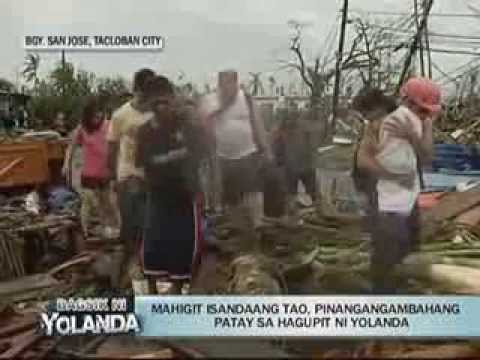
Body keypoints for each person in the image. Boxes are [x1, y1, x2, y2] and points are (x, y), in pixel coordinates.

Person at [357, 79, 440, 294]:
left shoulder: (417, 123)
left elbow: (427, 156)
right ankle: (384, 302)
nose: (421, 114)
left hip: (407, 199)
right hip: (384, 199)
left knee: (410, 248)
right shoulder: (380, 124)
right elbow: (363, 160)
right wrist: (392, 176)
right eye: (420, 109)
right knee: (387, 253)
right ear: (406, 101)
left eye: (425, 111)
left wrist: (427, 125)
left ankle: (405, 293)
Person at [136, 76, 207, 294]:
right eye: (156, 102)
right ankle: (152, 292)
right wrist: (174, 156)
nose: (161, 107)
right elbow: (146, 161)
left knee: (183, 244)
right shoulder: (145, 131)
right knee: (153, 243)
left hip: (185, 195)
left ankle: (177, 291)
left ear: (172, 99)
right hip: (158, 194)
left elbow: (201, 152)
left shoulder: (188, 125)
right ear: (149, 104)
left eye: (165, 101)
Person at [199, 70, 272, 230]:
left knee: (252, 190)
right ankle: (238, 229)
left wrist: (265, 149)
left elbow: (257, 124)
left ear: (236, 83)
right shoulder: (210, 100)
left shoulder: (246, 98)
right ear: (219, 84)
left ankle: (258, 225)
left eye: (232, 83)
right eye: (224, 83)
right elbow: (204, 123)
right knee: (230, 196)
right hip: (223, 156)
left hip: (248, 152)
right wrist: (223, 105)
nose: (229, 87)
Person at [107, 68, 155, 286]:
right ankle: (130, 269)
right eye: (145, 90)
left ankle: (145, 267)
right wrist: (112, 180)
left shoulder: (157, 113)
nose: (148, 96)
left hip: (153, 177)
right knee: (131, 225)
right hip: (128, 176)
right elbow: (111, 149)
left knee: (150, 224)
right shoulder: (120, 115)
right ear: (136, 89)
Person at [66, 97, 117, 238]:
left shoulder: (108, 126)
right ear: (88, 115)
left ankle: (110, 227)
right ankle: (85, 231)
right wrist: (67, 165)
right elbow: (71, 147)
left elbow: (116, 145)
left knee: (107, 202)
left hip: (105, 172)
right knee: (88, 202)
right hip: (89, 174)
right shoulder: (82, 129)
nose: (98, 117)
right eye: (94, 114)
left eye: (100, 113)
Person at [274, 108, 316, 216]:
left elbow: (310, 146)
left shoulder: (302, 129)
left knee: (310, 192)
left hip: (303, 166)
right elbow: (277, 151)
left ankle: (317, 210)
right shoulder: (280, 132)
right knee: (291, 194)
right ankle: (291, 214)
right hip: (293, 167)